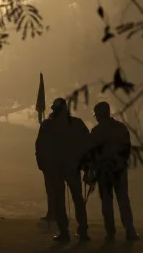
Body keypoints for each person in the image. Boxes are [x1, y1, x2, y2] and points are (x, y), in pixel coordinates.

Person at [36, 98, 90, 242]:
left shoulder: (48, 125)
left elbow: (40, 147)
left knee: (60, 200)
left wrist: (42, 165)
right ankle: (82, 231)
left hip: (57, 168)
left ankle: (65, 232)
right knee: (76, 199)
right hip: (70, 167)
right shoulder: (76, 124)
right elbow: (87, 145)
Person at [89, 102, 139, 241]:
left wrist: (92, 171)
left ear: (100, 114)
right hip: (119, 170)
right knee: (123, 200)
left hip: (104, 172)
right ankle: (129, 230)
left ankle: (110, 232)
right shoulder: (120, 128)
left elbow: (92, 154)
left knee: (107, 203)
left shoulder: (96, 131)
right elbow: (127, 149)